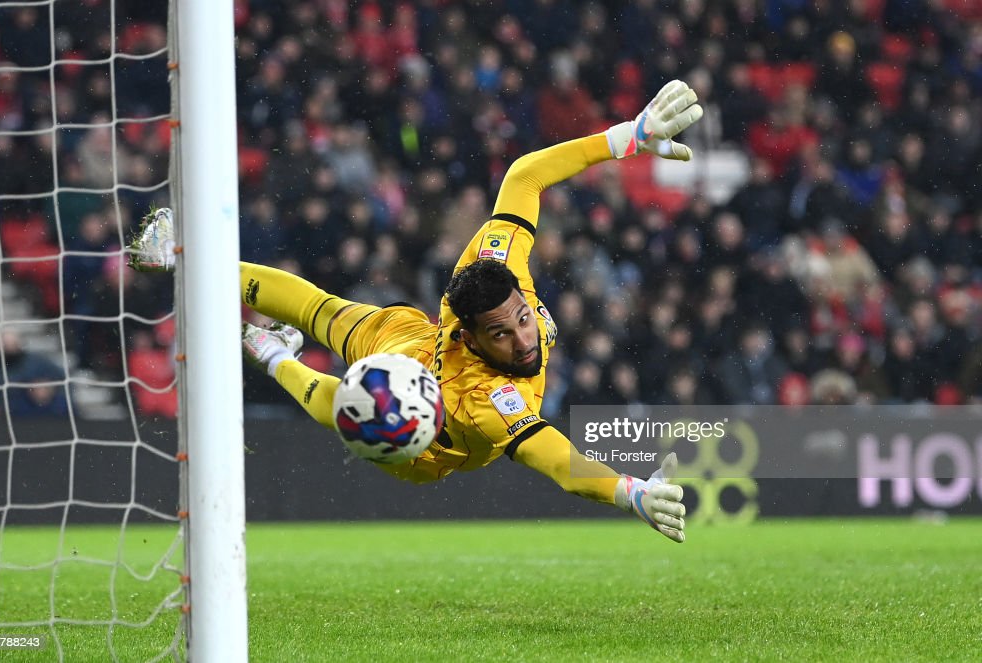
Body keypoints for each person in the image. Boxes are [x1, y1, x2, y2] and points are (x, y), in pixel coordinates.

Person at [130, 80, 704, 543]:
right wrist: (628, 491)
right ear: (473, 340)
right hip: (420, 407)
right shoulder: (489, 405)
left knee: (328, 340)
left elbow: (524, 174)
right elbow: (560, 461)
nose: (522, 340)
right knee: (338, 366)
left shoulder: (499, 261)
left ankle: (268, 346)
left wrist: (628, 137)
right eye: (501, 336)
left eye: (522, 318)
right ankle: (209, 286)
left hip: (417, 390)